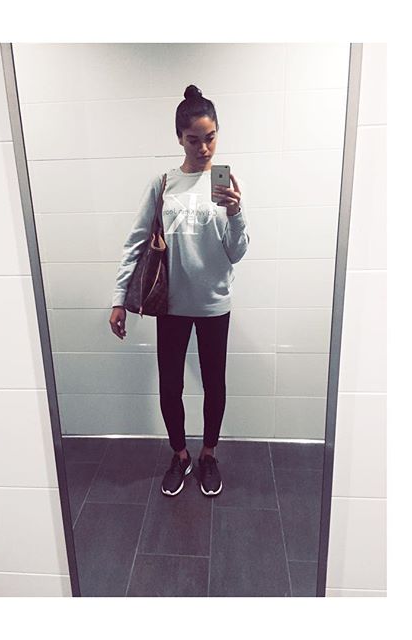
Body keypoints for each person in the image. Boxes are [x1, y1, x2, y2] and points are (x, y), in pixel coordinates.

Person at [108, 85, 250, 497]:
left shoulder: (225, 182)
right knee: (170, 386)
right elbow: (136, 241)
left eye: (210, 137)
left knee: (214, 384)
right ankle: (180, 455)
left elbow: (237, 252)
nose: (203, 148)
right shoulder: (164, 183)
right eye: (193, 139)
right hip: (169, 304)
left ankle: (208, 455)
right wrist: (119, 298)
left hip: (214, 303)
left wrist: (236, 212)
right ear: (179, 138)